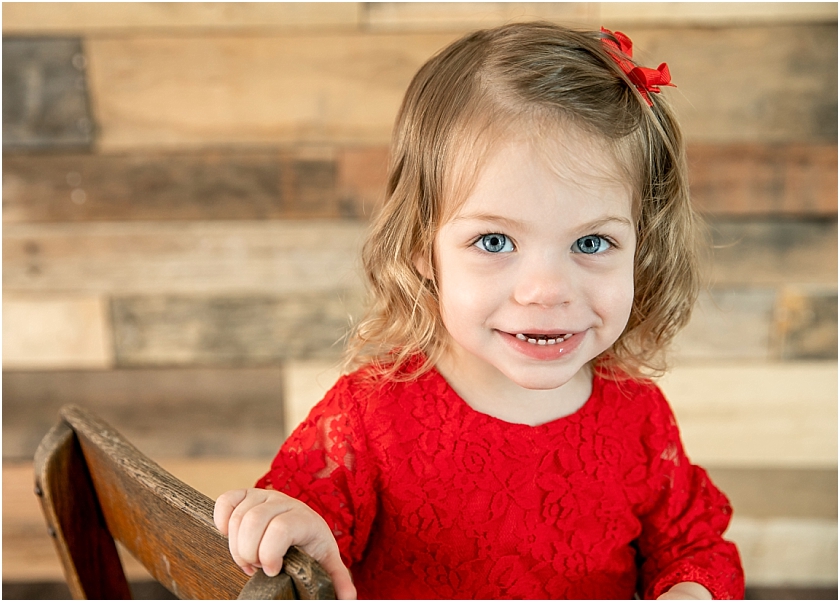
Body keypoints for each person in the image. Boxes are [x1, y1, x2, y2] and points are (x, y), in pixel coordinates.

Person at [214, 22, 745, 600]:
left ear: (641, 248)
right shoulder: (370, 415)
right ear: (422, 247)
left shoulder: (638, 416)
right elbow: (308, 526)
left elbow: (693, 548)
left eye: (591, 243)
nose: (545, 291)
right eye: (495, 242)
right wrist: (291, 527)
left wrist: (689, 591)